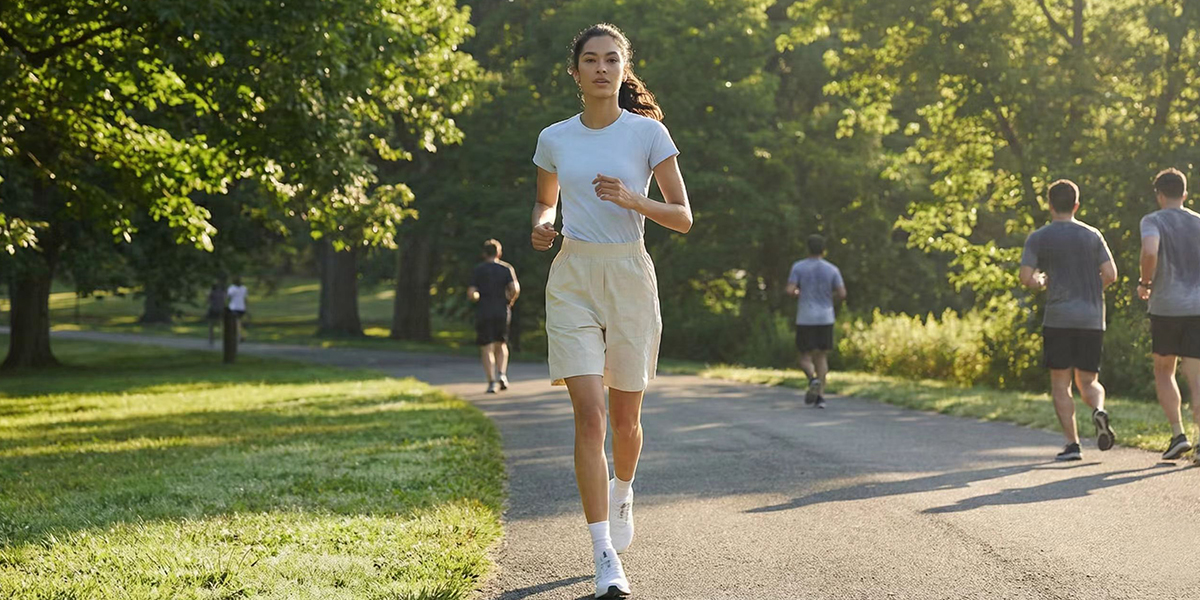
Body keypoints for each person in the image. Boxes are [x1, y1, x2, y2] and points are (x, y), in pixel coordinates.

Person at [530, 23, 691, 600]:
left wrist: (632, 199)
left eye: (611, 60)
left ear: (624, 70)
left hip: (629, 274)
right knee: (591, 416)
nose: (601, 68)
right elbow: (546, 202)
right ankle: (603, 555)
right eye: (590, 60)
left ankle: (624, 486)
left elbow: (682, 216)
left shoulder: (649, 134)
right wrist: (543, 226)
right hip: (572, 275)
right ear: (575, 72)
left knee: (625, 422)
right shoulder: (554, 138)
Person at [1018, 179, 1118, 461]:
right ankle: (1098, 410)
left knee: (1061, 384)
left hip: (1059, 318)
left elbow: (1027, 277)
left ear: (1049, 205)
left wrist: (1040, 281)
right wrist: (1092, 290)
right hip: (1091, 317)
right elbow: (1111, 274)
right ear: (1076, 205)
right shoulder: (1092, 235)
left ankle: (1073, 445)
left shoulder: (1039, 237)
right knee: (1089, 381)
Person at [1137, 168, 1200, 462]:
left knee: (1164, 370)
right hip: (1197, 308)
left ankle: (1178, 434)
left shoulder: (1153, 220)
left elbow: (1150, 251)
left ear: (1159, 195)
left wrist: (1145, 282)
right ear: (1185, 195)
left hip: (1166, 307)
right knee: (1196, 376)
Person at [785, 234, 846, 409]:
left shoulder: (799, 267)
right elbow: (842, 294)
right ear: (824, 250)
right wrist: (829, 297)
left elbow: (790, 290)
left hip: (806, 317)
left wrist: (798, 293)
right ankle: (821, 398)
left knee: (804, 357)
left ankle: (813, 379)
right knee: (822, 356)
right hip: (826, 316)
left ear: (808, 249)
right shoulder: (832, 269)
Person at [468, 239, 520, 393]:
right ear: (499, 253)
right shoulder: (506, 269)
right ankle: (502, 374)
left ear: (484, 253)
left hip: (484, 311)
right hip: (502, 310)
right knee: (501, 344)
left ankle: (491, 381)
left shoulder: (478, 270)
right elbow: (515, 288)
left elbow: (471, 293)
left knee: (486, 347)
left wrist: (476, 298)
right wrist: (510, 301)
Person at [226, 276, 248, 343]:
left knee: (235, 323)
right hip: (241, 308)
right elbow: (245, 299)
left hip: (234, 307)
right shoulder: (244, 288)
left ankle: (239, 336)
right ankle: (240, 335)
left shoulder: (231, 288)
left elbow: (228, 297)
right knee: (238, 323)